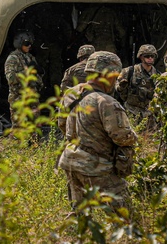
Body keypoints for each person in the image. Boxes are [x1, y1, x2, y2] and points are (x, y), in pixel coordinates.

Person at [57, 51, 138, 213]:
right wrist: (135, 138)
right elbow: (122, 137)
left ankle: (73, 236)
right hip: (96, 166)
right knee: (124, 214)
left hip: (70, 161)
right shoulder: (106, 102)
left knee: (79, 211)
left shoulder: (70, 94)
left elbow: (62, 124)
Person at [115, 44, 158, 129]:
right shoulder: (129, 71)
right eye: (147, 56)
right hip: (131, 112)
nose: (150, 58)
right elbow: (116, 88)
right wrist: (121, 87)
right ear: (141, 57)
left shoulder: (158, 75)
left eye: (152, 56)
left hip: (149, 115)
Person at [4, 31, 42, 119]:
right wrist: (27, 72)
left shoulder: (30, 57)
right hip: (18, 98)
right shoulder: (13, 58)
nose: (29, 46)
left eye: (30, 43)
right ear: (19, 43)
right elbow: (11, 78)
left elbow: (36, 76)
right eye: (27, 43)